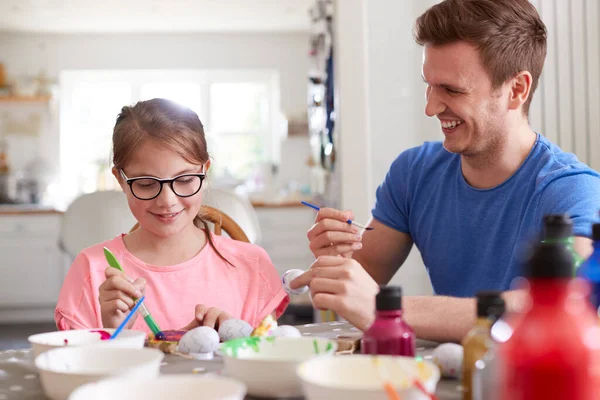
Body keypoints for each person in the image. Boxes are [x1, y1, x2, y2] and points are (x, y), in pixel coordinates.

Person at [290, 0, 600, 342]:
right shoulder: (413, 172)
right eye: (429, 85)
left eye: (452, 90)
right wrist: (340, 263)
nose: (430, 107)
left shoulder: (572, 190)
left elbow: (568, 300)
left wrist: (388, 308)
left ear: (516, 90)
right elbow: (366, 275)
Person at [55, 98, 289, 332]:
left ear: (204, 171)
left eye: (185, 180)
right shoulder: (92, 270)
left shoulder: (252, 267)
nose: (167, 201)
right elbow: (76, 364)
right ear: (121, 180)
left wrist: (233, 340)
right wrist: (115, 334)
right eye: (146, 184)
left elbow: (265, 360)